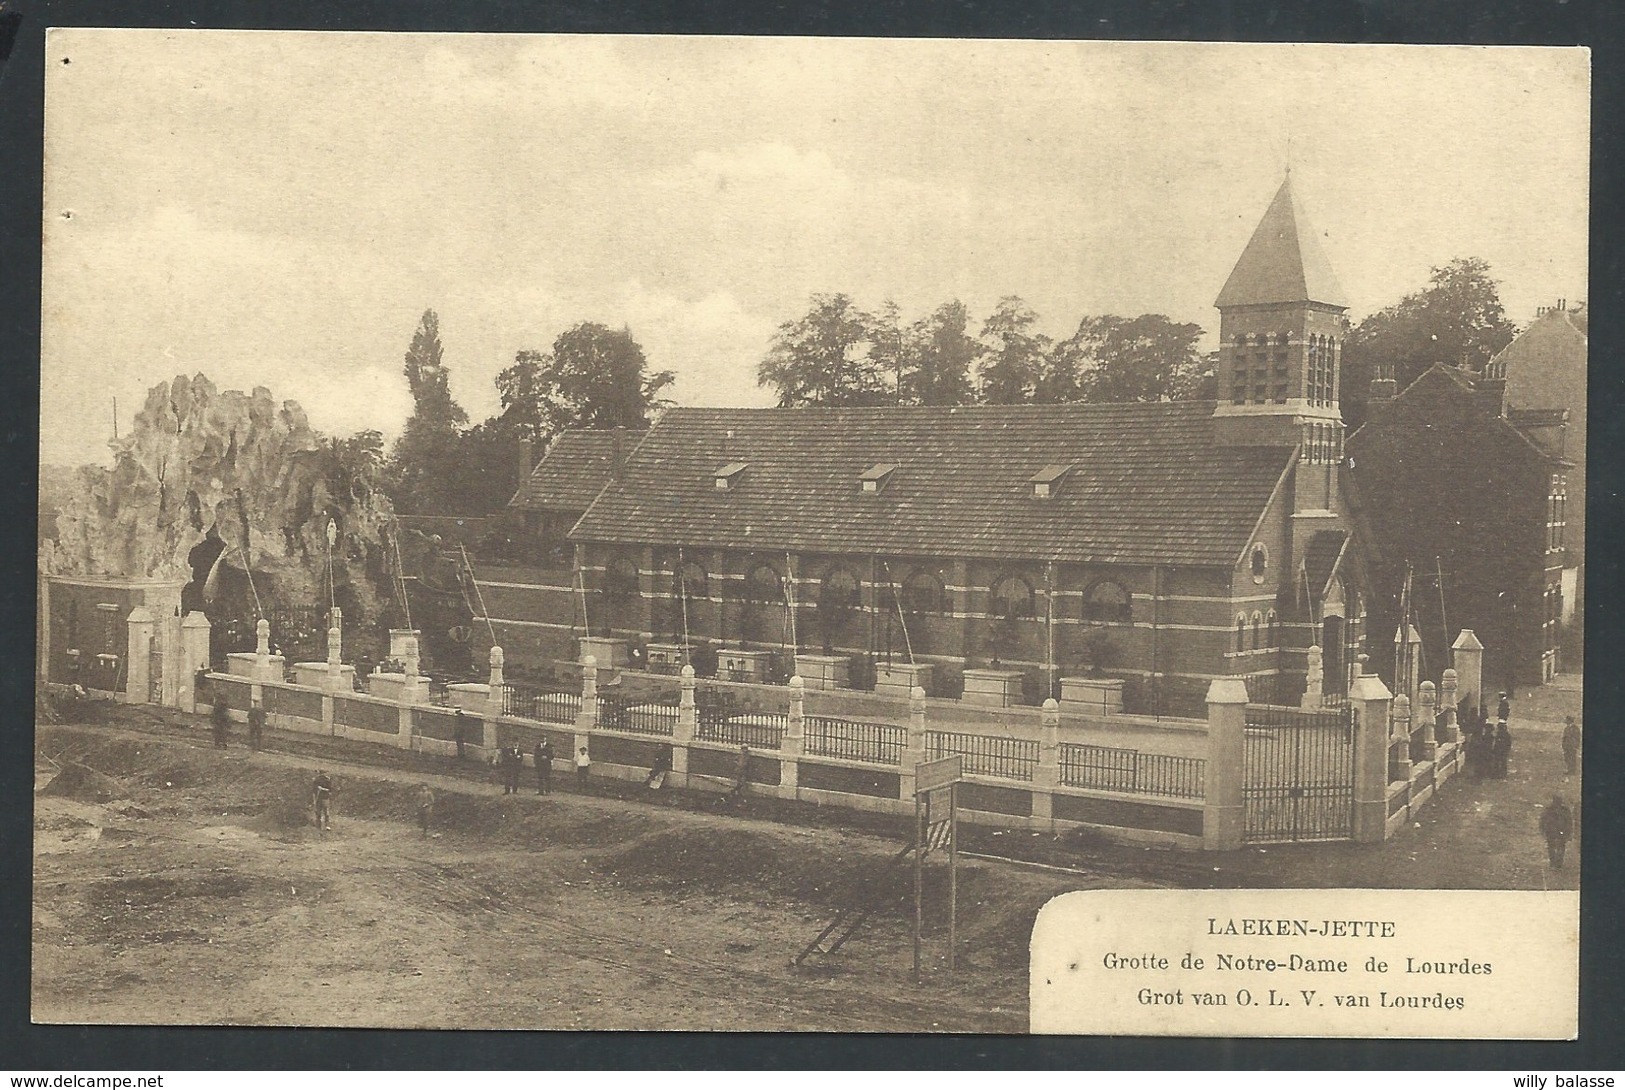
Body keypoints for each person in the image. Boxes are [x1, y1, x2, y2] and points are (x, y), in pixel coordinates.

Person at [1540, 794, 1574, 869]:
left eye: (1559, 801)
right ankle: (1553, 863)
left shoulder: (1565, 810)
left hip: (1561, 831)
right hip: (1551, 831)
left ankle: (1559, 863)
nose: (1558, 803)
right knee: (1551, 847)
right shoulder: (1549, 809)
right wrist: (1543, 830)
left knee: (1561, 847)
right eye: (1556, 801)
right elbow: (1543, 820)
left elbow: (1569, 821)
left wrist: (1569, 832)